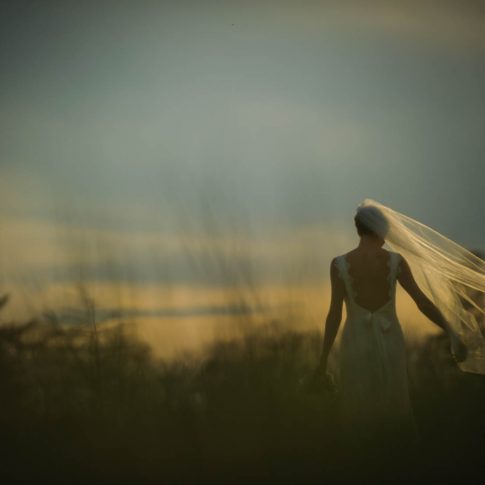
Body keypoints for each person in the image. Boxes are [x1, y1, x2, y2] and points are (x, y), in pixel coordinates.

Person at [315, 202, 471, 448]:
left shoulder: (339, 264)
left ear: (359, 230)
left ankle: (362, 462)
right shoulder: (396, 262)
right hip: (390, 340)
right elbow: (422, 303)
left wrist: (322, 361)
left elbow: (334, 313)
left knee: (358, 407)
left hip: (354, 341)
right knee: (394, 403)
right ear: (382, 230)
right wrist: (452, 332)